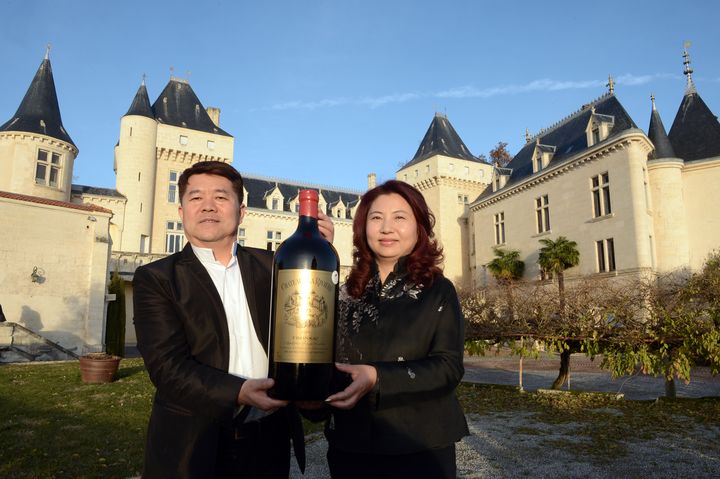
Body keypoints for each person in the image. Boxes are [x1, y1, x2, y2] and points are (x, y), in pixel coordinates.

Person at [133, 161, 334, 478]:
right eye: (196, 197)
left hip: (270, 439)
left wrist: (318, 251)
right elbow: (167, 368)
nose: (208, 206)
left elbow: (313, 328)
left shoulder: (275, 266)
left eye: (221, 197)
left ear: (241, 212)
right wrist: (237, 392)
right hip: (194, 441)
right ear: (181, 210)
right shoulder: (157, 278)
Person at [321, 180, 469, 478]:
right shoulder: (346, 292)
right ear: (363, 229)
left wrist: (377, 377)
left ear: (419, 228)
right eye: (376, 218)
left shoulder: (437, 290)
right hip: (352, 447)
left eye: (400, 217)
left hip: (420, 447)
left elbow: (448, 367)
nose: (386, 228)